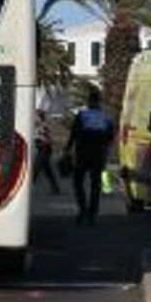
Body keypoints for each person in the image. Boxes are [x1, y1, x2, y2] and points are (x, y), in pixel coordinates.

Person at [65, 85, 115, 224]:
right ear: (99, 101)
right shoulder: (106, 117)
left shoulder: (82, 115)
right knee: (96, 183)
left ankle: (83, 209)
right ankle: (93, 213)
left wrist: (67, 149)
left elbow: (74, 133)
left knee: (78, 181)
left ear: (89, 101)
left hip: (83, 151)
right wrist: (106, 150)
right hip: (98, 153)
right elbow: (110, 136)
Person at [32, 110, 61, 194]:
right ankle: (56, 188)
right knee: (47, 171)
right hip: (41, 148)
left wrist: (42, 137)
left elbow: (48, 138)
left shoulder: (43, 126)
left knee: (36, 168)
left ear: (40, 117)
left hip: (45, 148)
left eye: (36, 116)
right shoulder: (37, 126)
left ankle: (28, 187)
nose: (34, 118)